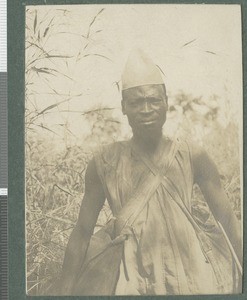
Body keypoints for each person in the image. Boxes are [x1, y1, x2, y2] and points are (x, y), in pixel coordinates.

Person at [55, 49, 242, 295]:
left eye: (153, 100)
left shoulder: (192, 155)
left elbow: (227, 218)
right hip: (130, 277)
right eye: (136, 102)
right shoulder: (104, 163)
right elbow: (82, 231)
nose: (146, 109)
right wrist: (63, 291)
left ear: (166, 102)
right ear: (123, 107)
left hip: (189, 275)